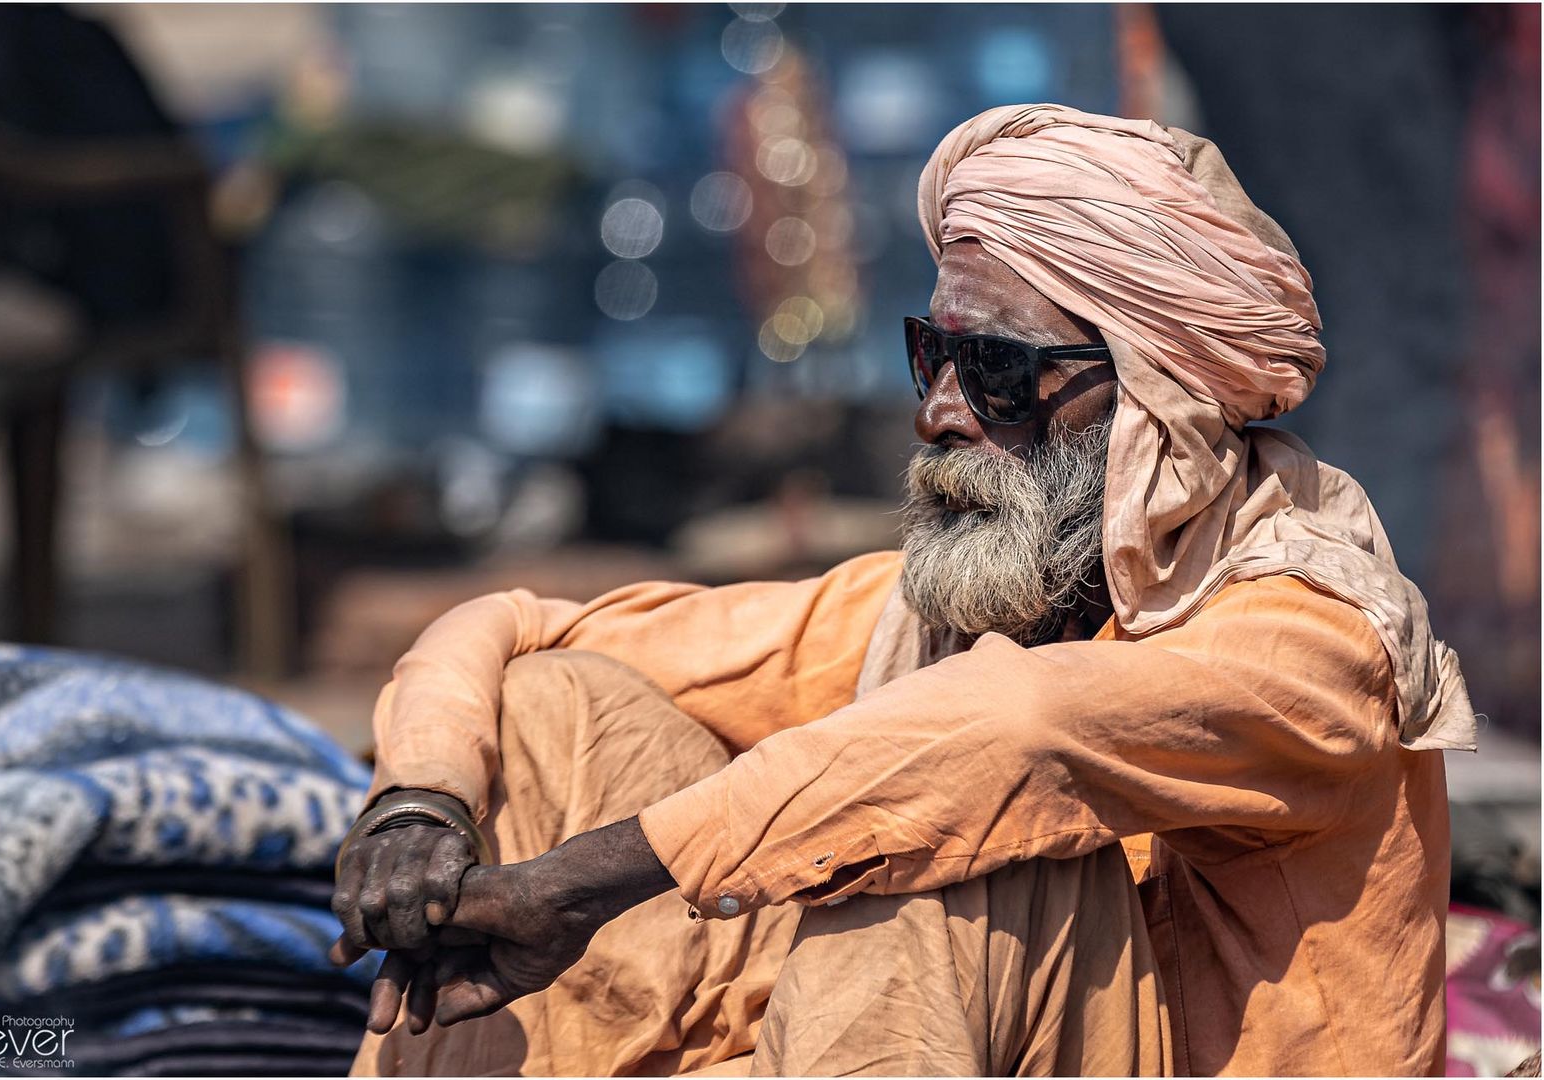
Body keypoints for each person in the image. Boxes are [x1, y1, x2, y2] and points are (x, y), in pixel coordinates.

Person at [331, 104, 1476, 1076]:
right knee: (553, 709)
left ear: (1156, 399)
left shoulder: (1309, 635)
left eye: (998, 373)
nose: (940, 414)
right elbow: (516, 626)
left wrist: (584, 883)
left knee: (947, 855)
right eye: (935, 356)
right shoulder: (954, 607)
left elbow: (1012, 735)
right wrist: (418, 803)